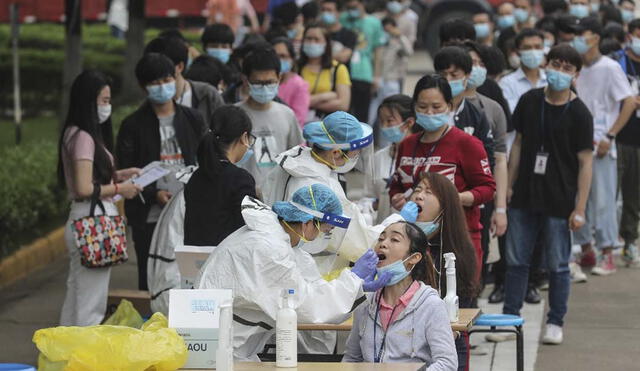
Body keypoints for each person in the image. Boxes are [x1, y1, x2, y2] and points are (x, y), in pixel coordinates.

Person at [195, 183, 392, 361]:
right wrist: (353, 278)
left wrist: (358, 287)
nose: (324, 236)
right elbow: (306, 304)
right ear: (307, 224)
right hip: (221, 347)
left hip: (234, 344)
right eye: (325, 230)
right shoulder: (269, 249)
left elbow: (310, 286)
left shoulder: (281, 240)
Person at [504, 44, 594, 345]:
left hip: (560, 199)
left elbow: (585, 162)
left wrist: (579, 207)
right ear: (547, 65)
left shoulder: (580, 112)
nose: (560, 71)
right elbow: (518, 144)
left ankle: (555, 321)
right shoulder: (530, 101)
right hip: (524, 195)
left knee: (557, 264)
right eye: (556, 64)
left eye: (568, 68)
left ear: (576, 74)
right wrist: (509, 184)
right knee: (516, 260)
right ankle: (508, 317)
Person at [389, 74, 496, 283]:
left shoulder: (467, 143)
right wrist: (397, 198)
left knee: (458, 303)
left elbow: (487, 188)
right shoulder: (407, 144)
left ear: (449, 105)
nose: (429, 113)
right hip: (415, 242)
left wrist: (456, 198)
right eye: (423, 107)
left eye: (436, 107)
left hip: (457, 238)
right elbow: (396, 185)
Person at [57, 70, 142, 326]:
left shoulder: (74, 133)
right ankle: (82, 361)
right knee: (90, 304)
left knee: (77, 295)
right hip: (92, 223)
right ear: (88, 101)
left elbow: (89, 176)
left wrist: (118, 175)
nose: (108, 107)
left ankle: (64, 358)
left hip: (83, 220)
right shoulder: (84, 137)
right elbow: (84, 187)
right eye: (104, 101)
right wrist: (120, 189)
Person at [116, 53, 207, 290]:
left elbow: (206, 159)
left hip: (190, 211)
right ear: (143, 86)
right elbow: (125, 170)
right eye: (155, 83)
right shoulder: (132, 125)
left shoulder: (192, 119)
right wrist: (154, 192)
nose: (162, 87)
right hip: (149, 216)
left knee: (189, 276)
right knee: (151, 276)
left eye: (166, 79)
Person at [342, 221, 458, 369]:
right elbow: (352, 358)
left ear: (414, 258)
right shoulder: (365, 302)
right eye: (381, 238)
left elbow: (447, 364)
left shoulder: (431, 304)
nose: (383, 244)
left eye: (394, 239)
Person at [571, 16, 636, 276]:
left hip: (602, 145)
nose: (577, 40)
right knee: (580, 200)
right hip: (578, 144)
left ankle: (608, 252)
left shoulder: (609, 67)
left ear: (595, 38)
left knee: (604, 200)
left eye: (581, 35)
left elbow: (629, 101)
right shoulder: (576, 68)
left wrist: (610, 136)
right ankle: (587, 249)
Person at [407, 172, 479, 370]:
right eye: (417, 190)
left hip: (448, 342)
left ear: (445, 206)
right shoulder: (400, 245)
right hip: (403, 342)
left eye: (428, 192)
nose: (419, 196)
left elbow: (461, 305)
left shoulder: (460, 251)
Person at [183, 105, 257, 246]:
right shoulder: (240, 179)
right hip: (228, 261)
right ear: (244, 137)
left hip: (196, 262)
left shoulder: (195, 177)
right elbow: (248, 229)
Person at [235, 47, 303, 188]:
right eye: (258, 83)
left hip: (279, 192)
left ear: (279, 78)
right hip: (242, 192)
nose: (264, 88)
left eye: (270, 82)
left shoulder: (287, 114)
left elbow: (297, 156)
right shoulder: (234, 114)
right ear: (245, 80)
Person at [432, 46, 495, 170]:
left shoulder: (476, 115)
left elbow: (487, 157)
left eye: (454, 75)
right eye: (443, 75)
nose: (448, 79)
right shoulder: (426, 113)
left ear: (467, 75)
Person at [610, 18, 640, 267]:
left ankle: (630, 241)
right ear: (629, 36)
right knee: (611, 192)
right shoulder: (616, 63)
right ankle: (605, 244)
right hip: (618, 137)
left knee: (634, 195)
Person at [144, 37, 224, 127]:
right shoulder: (148, 107)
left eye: (161, 69)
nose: (156, 75)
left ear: (179, 67)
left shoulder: (208, 95)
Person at [341, 0, 386, 122]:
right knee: (344, 114)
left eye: (354, 7)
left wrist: (376, 76)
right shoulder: (343, 19)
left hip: (364, 73)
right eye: (349, 7)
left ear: (362, 4)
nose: (352, 10)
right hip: (344, 72)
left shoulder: (374, 22)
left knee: (362, 115)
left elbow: (378, 51)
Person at [374, 95, 416, 224]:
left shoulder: (421, 158)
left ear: (409, 122)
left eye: (389, 121)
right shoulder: (378, 157)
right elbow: (369, 196)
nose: (384, 126)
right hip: (383, 230)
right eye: (381, 121)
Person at [367, 16, 414, 127]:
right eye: (385, 30)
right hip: (377, 81)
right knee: (371, 114)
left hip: (391, 81)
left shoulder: (398, 44)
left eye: (390, 30)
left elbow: (409, 51)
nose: (388, 32)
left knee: (392, 115)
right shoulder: (378, 44)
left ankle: (389, 142)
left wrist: (400, 36)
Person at [299, 23, 352, 119]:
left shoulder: (338, 69)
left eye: (316, 39)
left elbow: (343, 105)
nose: (312, 43)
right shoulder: (296, 67)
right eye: (308, 38)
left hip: (327, 125)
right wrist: (325, 96)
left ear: (326, 43)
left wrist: (306, 102)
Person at [499, 28, 548, 113]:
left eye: (537, 47)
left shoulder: (550, 80)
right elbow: (511, 112)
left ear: (543, 49)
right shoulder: (507, 83)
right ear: (518, 51)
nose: (533, 51)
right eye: (527, 48)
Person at [271, 37, 310, 126]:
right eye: (275, 56)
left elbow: (298, 119)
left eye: (283, 56)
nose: (278, 60)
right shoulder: (265, 82)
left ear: (292, 59)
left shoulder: (299, 85)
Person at [321, 0, 358, 65]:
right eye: (323, 10)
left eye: (329, 10)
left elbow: (344, 57)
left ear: (338, 13)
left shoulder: (349, 35)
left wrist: (320, 57)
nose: (325, 13)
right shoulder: (318, 32)